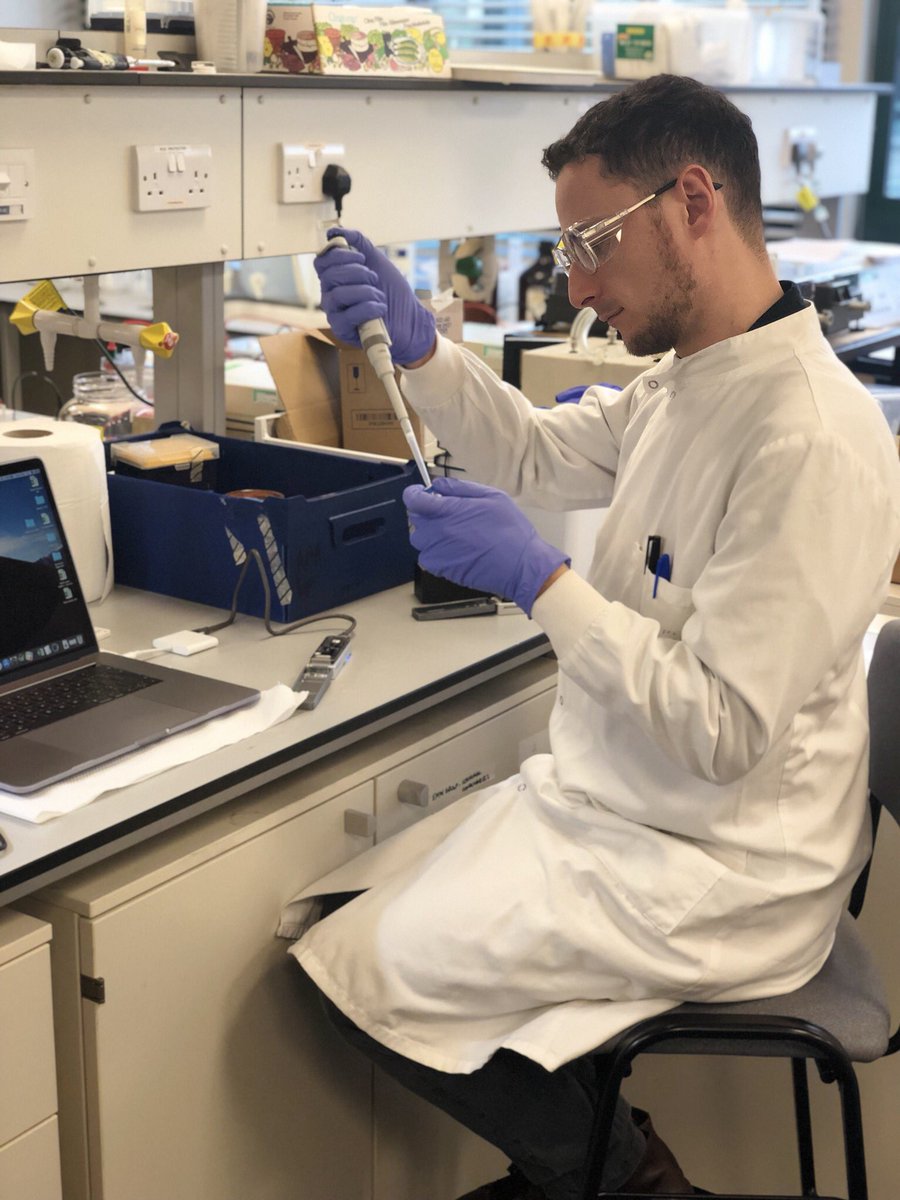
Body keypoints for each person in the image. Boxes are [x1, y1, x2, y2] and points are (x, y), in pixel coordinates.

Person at [281, 74, 900, 1198]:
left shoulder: (811, 438)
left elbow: (723, 729)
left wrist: (541, 580)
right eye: (566, 249)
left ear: (694, 202)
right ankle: (589, 1155)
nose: (576, 284)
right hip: (625, 806)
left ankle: (624, 1177)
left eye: (592, 244)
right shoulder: (693, 379)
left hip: (728, 863)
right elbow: (533, 453)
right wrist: (423, 352)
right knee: (332, 918)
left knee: (363, 970)